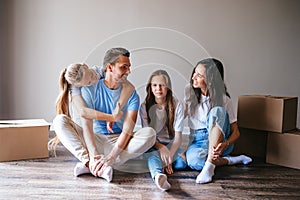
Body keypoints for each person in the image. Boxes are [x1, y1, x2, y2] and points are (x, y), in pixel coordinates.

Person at [53, 47, 156, 182]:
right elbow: (87, 123)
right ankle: (91, 163)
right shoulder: (87, 86)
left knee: (150, 134)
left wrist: (112, 156)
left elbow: (128, 130)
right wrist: (93, 154)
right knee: (59, 121)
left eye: (129, 67)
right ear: (110, 67)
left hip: (118, 142)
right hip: (94, 140)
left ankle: (101, 163)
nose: (129, 71)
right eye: (124, 67)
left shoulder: (131, 94)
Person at [184, 58, 252, 184]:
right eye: (194, 72)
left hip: (220, 141)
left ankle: (210, 165)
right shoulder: (190, 96)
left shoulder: (224, 99)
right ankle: (231, 160)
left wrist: (225, 145)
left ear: (210, 80)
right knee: (195, 161)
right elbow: (176, 119)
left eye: (199, 75)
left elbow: (236, 132)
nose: (193, 77)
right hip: (197, 141)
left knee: (218, 111)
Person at [139, 70, 187, 191]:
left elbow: (178, 136)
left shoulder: (177, 105)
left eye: (162, 85)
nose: (158, 88)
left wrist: (169, 156)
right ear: (150, 87)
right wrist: (161, 148)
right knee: (153, 156)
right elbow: (147, 136)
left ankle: (163, 163)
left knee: (182, 163)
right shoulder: (144, 107)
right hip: (152, 143)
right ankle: (158, 176)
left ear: (168, 87)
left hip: (170, 144)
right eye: (154, 85)